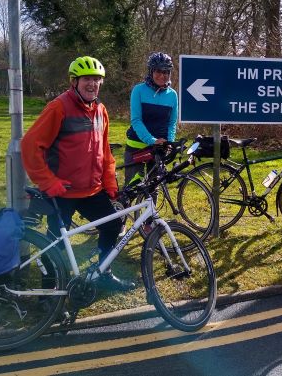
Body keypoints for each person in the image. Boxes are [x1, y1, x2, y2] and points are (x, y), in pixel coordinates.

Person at [21, 56, 133, 292]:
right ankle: (49, 294)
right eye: (86, 79)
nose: (92, 84)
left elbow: (104, 151)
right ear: (75, 82)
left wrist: (109, 182)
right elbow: (30, 145)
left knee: (112, 226)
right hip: (63, 191)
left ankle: (104, 273)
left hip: (92, 190)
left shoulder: (101, 111)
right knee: (54, 244)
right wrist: (48, 181)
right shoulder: (59, 107)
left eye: (96, 79)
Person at [124, 52, 178, 186]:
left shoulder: (172, 95)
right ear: (151, 71)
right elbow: (136, 120)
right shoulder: (139, 90)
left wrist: (169, 142)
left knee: (153, 189)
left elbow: (172, 123)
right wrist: (152, 140)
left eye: (166, 72)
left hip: (159, 149)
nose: (162, 75)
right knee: (132, 189)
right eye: (158, 71)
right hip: (136, 147)